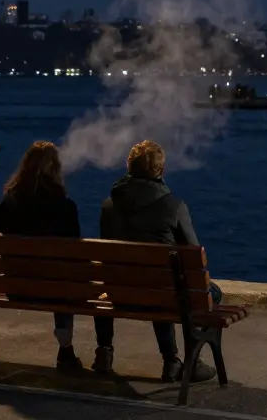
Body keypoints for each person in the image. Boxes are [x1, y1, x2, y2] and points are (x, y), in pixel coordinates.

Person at [91, 140, 219, 384]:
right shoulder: (174, 206)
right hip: (161, 294)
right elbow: (194, 254)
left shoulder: (108, 206)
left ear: (129, 166)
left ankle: (105, 354)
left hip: (119, 292)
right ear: (160, 170)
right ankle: (183, 361)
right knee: (200, 292)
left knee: (158, 285)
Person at [0, 140, 83, 371]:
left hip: (17, 287)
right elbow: (74, 251)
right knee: (64, 278)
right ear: (55, 169)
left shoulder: (8, 204)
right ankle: (65, 350)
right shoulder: (65, 207)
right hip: (54, 290)